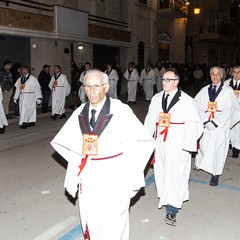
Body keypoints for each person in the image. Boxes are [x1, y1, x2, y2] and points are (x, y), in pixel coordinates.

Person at [50, 70, 155, 240]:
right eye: (87, 86)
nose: (91, 90)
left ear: (106, 87)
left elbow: (143, 142)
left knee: (114, 222)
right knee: (91, 219)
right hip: (89, 177)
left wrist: (130, 173)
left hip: (114, 177)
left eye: (96, 86)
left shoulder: (121, 111)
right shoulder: (80, 112)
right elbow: (66, 144)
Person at [144, 68, 203, 226]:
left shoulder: (187, 100)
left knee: (176, 174)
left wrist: (186, 143)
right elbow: (150, 120)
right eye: (163, 79)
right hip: (160, 142)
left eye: (168, 80)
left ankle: (172, 208)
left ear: (176, 82)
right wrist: (145, 140)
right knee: (162, 171)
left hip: (177, 143)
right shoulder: (156, 98)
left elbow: (196, 124)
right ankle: (165, 196)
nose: (164, 82)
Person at [194, 66, 240, 186]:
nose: (215, 76)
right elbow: (197, 106)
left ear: (221, 76)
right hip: (206, 125)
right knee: (205, 146)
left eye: (217, 74)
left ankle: (216, 173)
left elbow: (229, 109)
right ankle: (206, 165)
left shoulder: (228, 91)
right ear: (210, 76)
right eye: (213, 74)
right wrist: (205, 121)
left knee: (219, 149)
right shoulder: (204, 90)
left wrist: (215, 122)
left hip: (220, 125)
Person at [225, 65, 240, 158]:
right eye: (235, 72)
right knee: (230, 129)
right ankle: (230, 144)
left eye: (239, 72)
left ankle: (236, 149)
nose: (237, 74)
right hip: (229, 110)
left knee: (238, 130)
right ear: (232, 73)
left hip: (239, 110)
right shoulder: (226, 84)